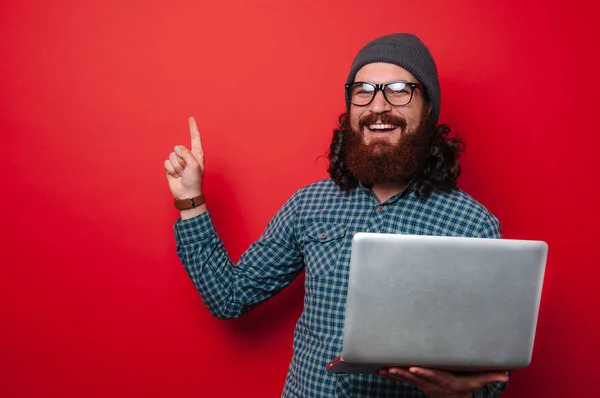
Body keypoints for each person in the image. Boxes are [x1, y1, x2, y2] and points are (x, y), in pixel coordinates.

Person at [163, 33, 510, 397]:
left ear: (427, 110)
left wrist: (460, 393)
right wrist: (191, 200)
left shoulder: (472, 224)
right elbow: (229, 297)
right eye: (364, 90)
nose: (378, 106)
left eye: (398, 89)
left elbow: (490, 372)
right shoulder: (309, 205)